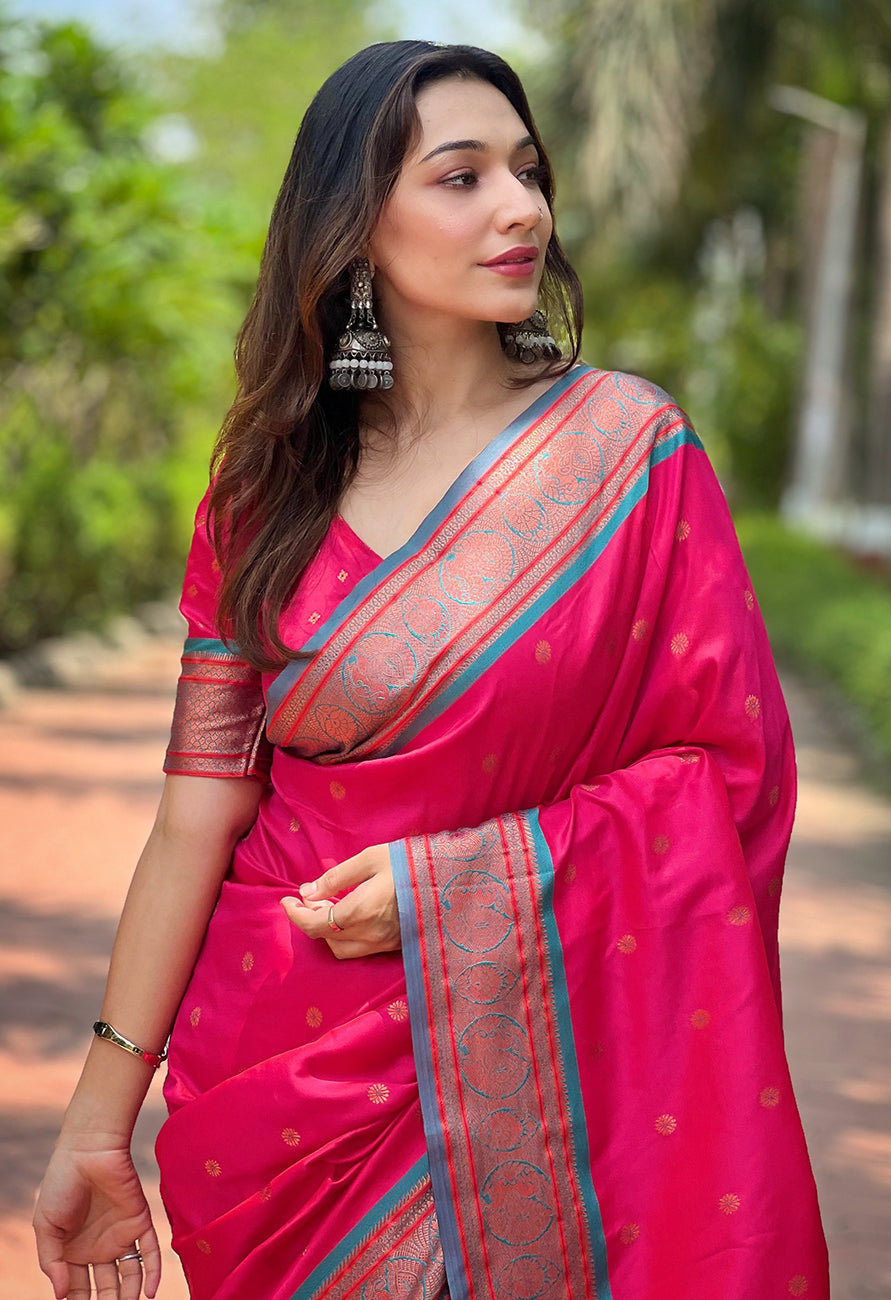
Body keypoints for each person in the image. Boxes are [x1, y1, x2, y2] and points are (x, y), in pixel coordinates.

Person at [33, 39, 829, 1300]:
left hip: (547, 1078)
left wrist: (455, 887)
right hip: (282, 1076)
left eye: (529, 170)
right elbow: (195, 816)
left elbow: (729, 775)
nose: (522, 207)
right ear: (354, 228)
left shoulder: (628, 453)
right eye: (463, 177)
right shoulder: (263, 494)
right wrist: (95, 1121)